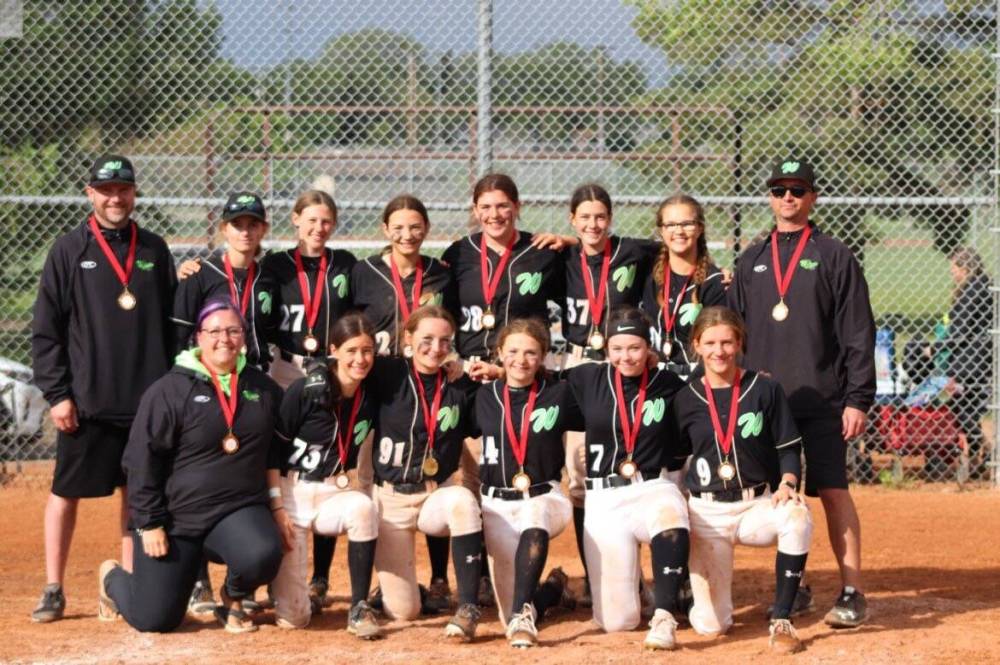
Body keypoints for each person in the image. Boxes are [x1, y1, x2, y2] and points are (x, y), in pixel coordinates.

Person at [727, 157, 876, 628]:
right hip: (766, 402)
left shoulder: (834, 254)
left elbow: (857, 331)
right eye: (778, 190)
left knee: (832, 490)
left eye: (797, 190)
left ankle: (852, 590)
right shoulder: (750, 258)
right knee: (777, 495)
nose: (787, 198)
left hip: (822, 398)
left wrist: (857, 398)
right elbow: (733, 332)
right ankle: (798, 585)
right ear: (769, 197)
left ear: (812, 197)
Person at [30, 154, 177, 623]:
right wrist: (58, 394)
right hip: (87, 403)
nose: (116, 198)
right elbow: (46, 329)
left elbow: (174, 326)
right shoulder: (68, 250)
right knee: (64, 492)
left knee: (137, 493)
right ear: (90, 193)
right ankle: (53, 585)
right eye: (106, 190)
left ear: (134, 194)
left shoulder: (154, 249)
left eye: (123, 190)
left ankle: (124, 583)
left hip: (146, 403)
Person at [97, 299, 291, 633]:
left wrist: (276, 505)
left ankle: (233, 598)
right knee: (155, 619)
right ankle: (112, 579)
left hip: (237, 510)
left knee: (263, 554)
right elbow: (140, 461)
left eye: (233, 330)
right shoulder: (169, 391)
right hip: (176, 519)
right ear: (198, 337)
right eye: (214, 331)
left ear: (244, 337)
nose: (224, 339)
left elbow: (276, 445)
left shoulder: (261, 388)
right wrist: (148, 523)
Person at [441, 173, 567, 606]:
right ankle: (460, 580)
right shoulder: (458, 254)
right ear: (475, 210)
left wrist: (567, 240)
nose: (495, 214)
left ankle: (550, 585)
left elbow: (586, 278)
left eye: (502, 206)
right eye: (486, 207)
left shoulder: (542, 252)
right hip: (469, 379)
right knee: (464, 478)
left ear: (517, 206)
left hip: (515, 377)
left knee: (513, 471)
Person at [672, 306, 812, 653]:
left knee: (797, 516)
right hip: (707, 514)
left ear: (739, 344)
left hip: (756, 505)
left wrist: (788, 484)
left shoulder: (764, 389)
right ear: (697, 346)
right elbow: (674, 461)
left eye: (727, 342)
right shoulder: (686, 398)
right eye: (710, 343)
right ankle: (690, 594)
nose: (719, 351)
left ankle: (782, 616)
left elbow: (788, 447)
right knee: (711, 626)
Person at [351, 194, 455, 612]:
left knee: (436, 471)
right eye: (398, 226)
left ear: (426, 229)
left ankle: (440, 579)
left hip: (428, 382)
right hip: (382, 383)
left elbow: (454, 324)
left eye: (415, 226)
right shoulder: (364, 272)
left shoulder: (441, 274)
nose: (407, 234)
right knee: (369, 476)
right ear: (384, 229)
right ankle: (382, 580)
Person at [564, 307, 689, 650]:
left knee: (671, 512)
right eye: (617, 348)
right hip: (604, 498)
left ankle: (664, 614)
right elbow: (536, 383)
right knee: (618, 623)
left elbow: (701, 409)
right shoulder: (587, 378)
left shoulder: (669, 384)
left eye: (634, 347)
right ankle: (635, 588)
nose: (626, 356)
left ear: (648, 347)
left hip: (651, 485)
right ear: (606, 348)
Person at [260, 189, 356, 611]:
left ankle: (319, 578)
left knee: (324, 463)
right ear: (295, 220)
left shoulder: (346, 264)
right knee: (283, 467)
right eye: (311, 220)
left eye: (326, 221)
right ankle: (275, 572)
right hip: (286, 369)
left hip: (329, 370)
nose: (319, 229)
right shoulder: (275, 266)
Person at [367, 306, 485, 641]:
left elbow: (505, 396)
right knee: (404, 612)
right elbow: (348, 363)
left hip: (436, 492)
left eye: (445, 340)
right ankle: (401, 588)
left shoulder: (459, 385)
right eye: (427, 339)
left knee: (462, 500)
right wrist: (319, 368)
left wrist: (487, 371)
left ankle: (467, 605)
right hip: (391, 497)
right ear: (408, 338)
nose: (436, 348)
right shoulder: (388, 372)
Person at [271, 314, 381, 638]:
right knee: (294, 619)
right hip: (293, 492)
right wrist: (276, 506)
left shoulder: (371, 394)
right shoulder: (304, 390)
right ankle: (285, 590)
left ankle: (359, 606)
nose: (360, 359)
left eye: (367, 350)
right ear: (334, 349)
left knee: (364, 508)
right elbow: (273, 451)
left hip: (335, 492)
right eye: (351, 350)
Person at [473, 319, 579, 648]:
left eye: (531, 352)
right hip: (496, 504)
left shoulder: (560, 393)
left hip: (545, 496)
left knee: (534, 516)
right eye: (513, 351)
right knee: (517, 599)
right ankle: (550, 591)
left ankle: (523, 614)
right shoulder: (480, 396)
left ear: (544, 356)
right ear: (499, 353)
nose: (521, 359)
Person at [172, 191, 275, 370]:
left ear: (263, 229)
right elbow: (179, 336)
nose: (245, 232)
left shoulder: (268, 278)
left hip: (255, 374)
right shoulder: (199, 275)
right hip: (210, 374)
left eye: (253, 225)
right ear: (224, 229)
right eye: (236, 225)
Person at [640, 194, 727, 371]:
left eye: (687, 224)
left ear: (699, 228)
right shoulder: (648, 273)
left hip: (697, 378)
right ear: (661, 230)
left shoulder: (713, 282)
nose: (678, 231)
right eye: (670, 225)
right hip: (653, 377)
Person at [943, 247, 994, 479]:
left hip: (970, 361)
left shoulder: (973, 291)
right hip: (976, 358)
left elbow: (960, 331)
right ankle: (981, 452)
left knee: (963, 408)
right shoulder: (982, 286)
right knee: (967, 408)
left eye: (954, 267)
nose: (952, 272)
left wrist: (934, 348)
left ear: (965, 268)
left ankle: (982, 452)